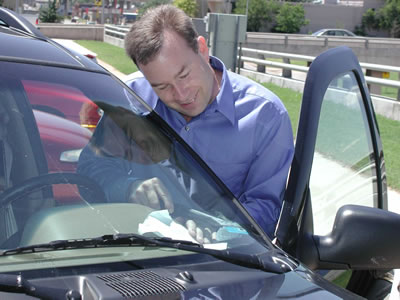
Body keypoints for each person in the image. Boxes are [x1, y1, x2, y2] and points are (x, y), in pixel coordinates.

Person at [122, 4, 294, 238]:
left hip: (222, 262)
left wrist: (215, 231)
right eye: (162, 87)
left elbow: (264, 209)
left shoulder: (266, 115)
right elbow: (95, 167)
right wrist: (128, 186)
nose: (181, 95)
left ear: (202, 49)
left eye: (184, 74)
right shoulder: (130, 97)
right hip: (132, 251)